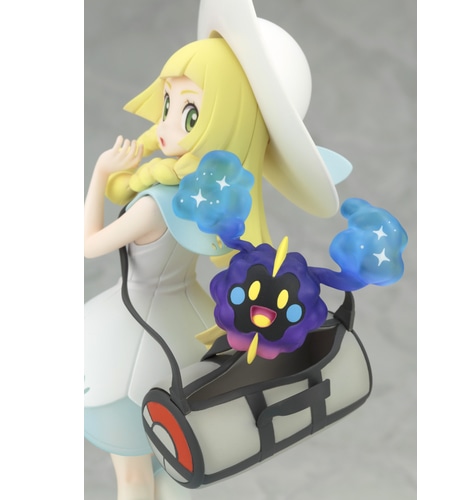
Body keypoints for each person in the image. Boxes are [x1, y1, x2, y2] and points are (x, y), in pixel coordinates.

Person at [84, 1, 351, 498]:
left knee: (134, 474)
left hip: (133, 334)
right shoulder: (210, 201)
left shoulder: (155, 204)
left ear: (224, 120)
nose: (166, 124)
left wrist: (101, 172)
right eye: (167, 103)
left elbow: (88, 245)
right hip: (189, 331)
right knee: (173, 465)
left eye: (189, 113)